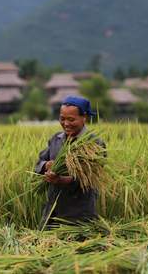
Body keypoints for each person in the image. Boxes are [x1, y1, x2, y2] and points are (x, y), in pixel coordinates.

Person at [35, 96, 105, 229]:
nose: (66, 123)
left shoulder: (94, 143)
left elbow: (91, 177)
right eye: (62, 118)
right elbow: (39, 163)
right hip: (52, 213)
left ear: (84, 117)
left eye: (71, 119)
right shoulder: (56, 139)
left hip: (80, 214)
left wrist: (62, 180)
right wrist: (46, 166)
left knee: (77, 247)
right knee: (46, 246)